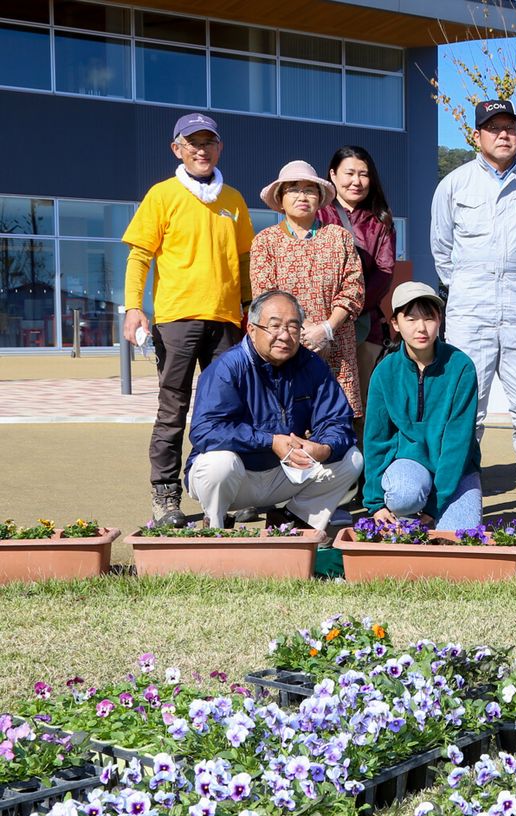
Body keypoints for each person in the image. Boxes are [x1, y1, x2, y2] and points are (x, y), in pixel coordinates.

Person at [122, 113, 254, 526]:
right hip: (176, 320)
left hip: (228, 321)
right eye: (192, 142)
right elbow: (140, 255)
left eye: (208, 142)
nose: (201, 149)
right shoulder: (162, 195)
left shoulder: (232, 199)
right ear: (176, 149)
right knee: (172, 410)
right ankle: (165, 499)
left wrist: (250, 309)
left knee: (231, 409)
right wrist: (133, 307)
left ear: (219, 147)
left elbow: (246, 261)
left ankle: (231, 491)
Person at [431, 99, 516, 516]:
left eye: (510, 127)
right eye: (493, 128)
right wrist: (472, 286)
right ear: (477, 135)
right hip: (470, 306)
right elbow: (442, 252)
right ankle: (465, 490)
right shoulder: (454, 185)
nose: (503, 135)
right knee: (469, 399)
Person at [185, 290, 362, 535]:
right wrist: (269, 441)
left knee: (350, 459)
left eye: (293, 327)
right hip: (236, 475)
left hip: (285, 471)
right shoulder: (227, 368)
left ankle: (293, 521)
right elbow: (205, 431)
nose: (284, 335)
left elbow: (337, 421)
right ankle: (215, 527)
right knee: (219, 463)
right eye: (274, 326)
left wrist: (323, 448)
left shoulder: (312, 365)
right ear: (252, 329)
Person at [251, 160, 365, 419]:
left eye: (309, 190)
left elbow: (354, 288)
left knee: (337, 424)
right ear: (280, 198)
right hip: (286, 343)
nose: (302, 196)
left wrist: (326, 329)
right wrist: (305, 334)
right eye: (293, 189)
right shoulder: (265, 242)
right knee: (289, 419)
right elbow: (265, 295)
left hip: (336, 345)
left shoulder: (339, 237)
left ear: (320, 197)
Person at [363, 282, 482, 530]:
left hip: (456, 470)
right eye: (411, 319)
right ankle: (409, 516)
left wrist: (434, 505)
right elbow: (376, 439)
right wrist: (375, 502)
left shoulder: (461, 367)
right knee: (403, 494)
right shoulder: (385, 372)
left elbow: (458, 443)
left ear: (439, 319)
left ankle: (425, 516)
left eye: (429, 318)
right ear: (395, 323)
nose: (421, 328)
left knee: (460, 538)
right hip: (410, 463)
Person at [318, 145, 396, 421]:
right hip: (319, 324)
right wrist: (328, 317)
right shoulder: (317, 214)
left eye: (364, 174)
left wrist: (350, 309)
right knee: (317, 399)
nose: (356, 181)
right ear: (333, 175)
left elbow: (384, 272)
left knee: (361, 406)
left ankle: (363, 462)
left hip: (364, 325)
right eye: (349, 173)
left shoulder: (380, 220)